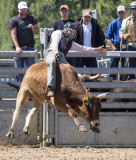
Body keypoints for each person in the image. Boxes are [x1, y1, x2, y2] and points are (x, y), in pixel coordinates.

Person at [45, 22, 106, 97]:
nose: (71, 33)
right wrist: (56, 54)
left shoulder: (70, 42)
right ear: (65, 29)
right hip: (51, 53)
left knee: (71, 70)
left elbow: (83, 48)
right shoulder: (57, 33)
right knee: (52, 61)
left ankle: (71, 89)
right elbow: (54, 45)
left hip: (61, 57)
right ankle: (51, 87)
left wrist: (96, 50)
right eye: (70, 30)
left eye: (73, 32)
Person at [9, 1, 39, 82]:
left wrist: (32, 27)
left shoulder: (32, 19)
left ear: (27, 10)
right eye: (22, 9)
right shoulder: (14, 20)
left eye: (25, 9)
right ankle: (19, 92)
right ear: (18, 9)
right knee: (19, 73)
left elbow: (37, 32)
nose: (23, 11)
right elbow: (13, 34)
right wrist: (17, 47)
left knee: (31, 72)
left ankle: (30, 93)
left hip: (29, 48)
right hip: (19, 49)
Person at [106, 6, 126, 80]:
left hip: (126, 47)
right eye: (119, 13)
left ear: (125, 13)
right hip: (116, 47)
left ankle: (125, 85)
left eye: (122, 12)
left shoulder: (129, 23)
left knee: (126, 67)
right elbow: (108, 37)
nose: (121, 14)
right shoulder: (113, 23)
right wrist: (113, 47)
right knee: (113, 67)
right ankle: (111, 85)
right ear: (117, 13)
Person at [119, 1, 136, 80]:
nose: (134, 11)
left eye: (135, 9)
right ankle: (131, 87)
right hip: (131, 46)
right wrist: (124, 36)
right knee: (131, 68)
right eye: (133, 9)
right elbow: (121, 33)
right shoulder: (126, 20)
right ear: (130, 10)